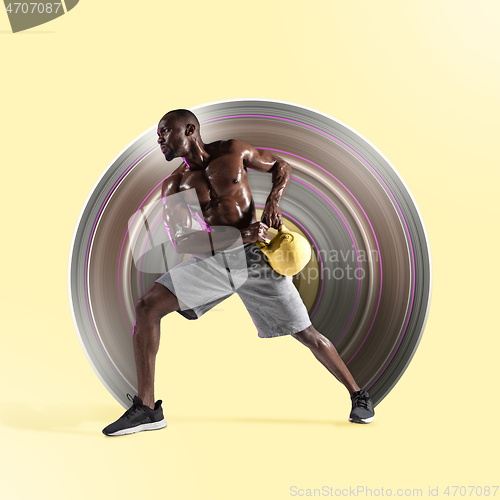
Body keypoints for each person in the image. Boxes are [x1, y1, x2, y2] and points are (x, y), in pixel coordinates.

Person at [102, 109, 374, 436]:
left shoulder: (234, 150)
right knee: (147, 307)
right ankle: (147, 409)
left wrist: (274, 200)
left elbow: (280, 166)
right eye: (158, 136)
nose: (159, 140)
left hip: (257, 257)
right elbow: (183, 239)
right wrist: (240, 235)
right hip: (218, 256)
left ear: (189, 130)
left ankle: (359, 395)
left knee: (306, 332)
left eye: (165, 132)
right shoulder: (175, 185)